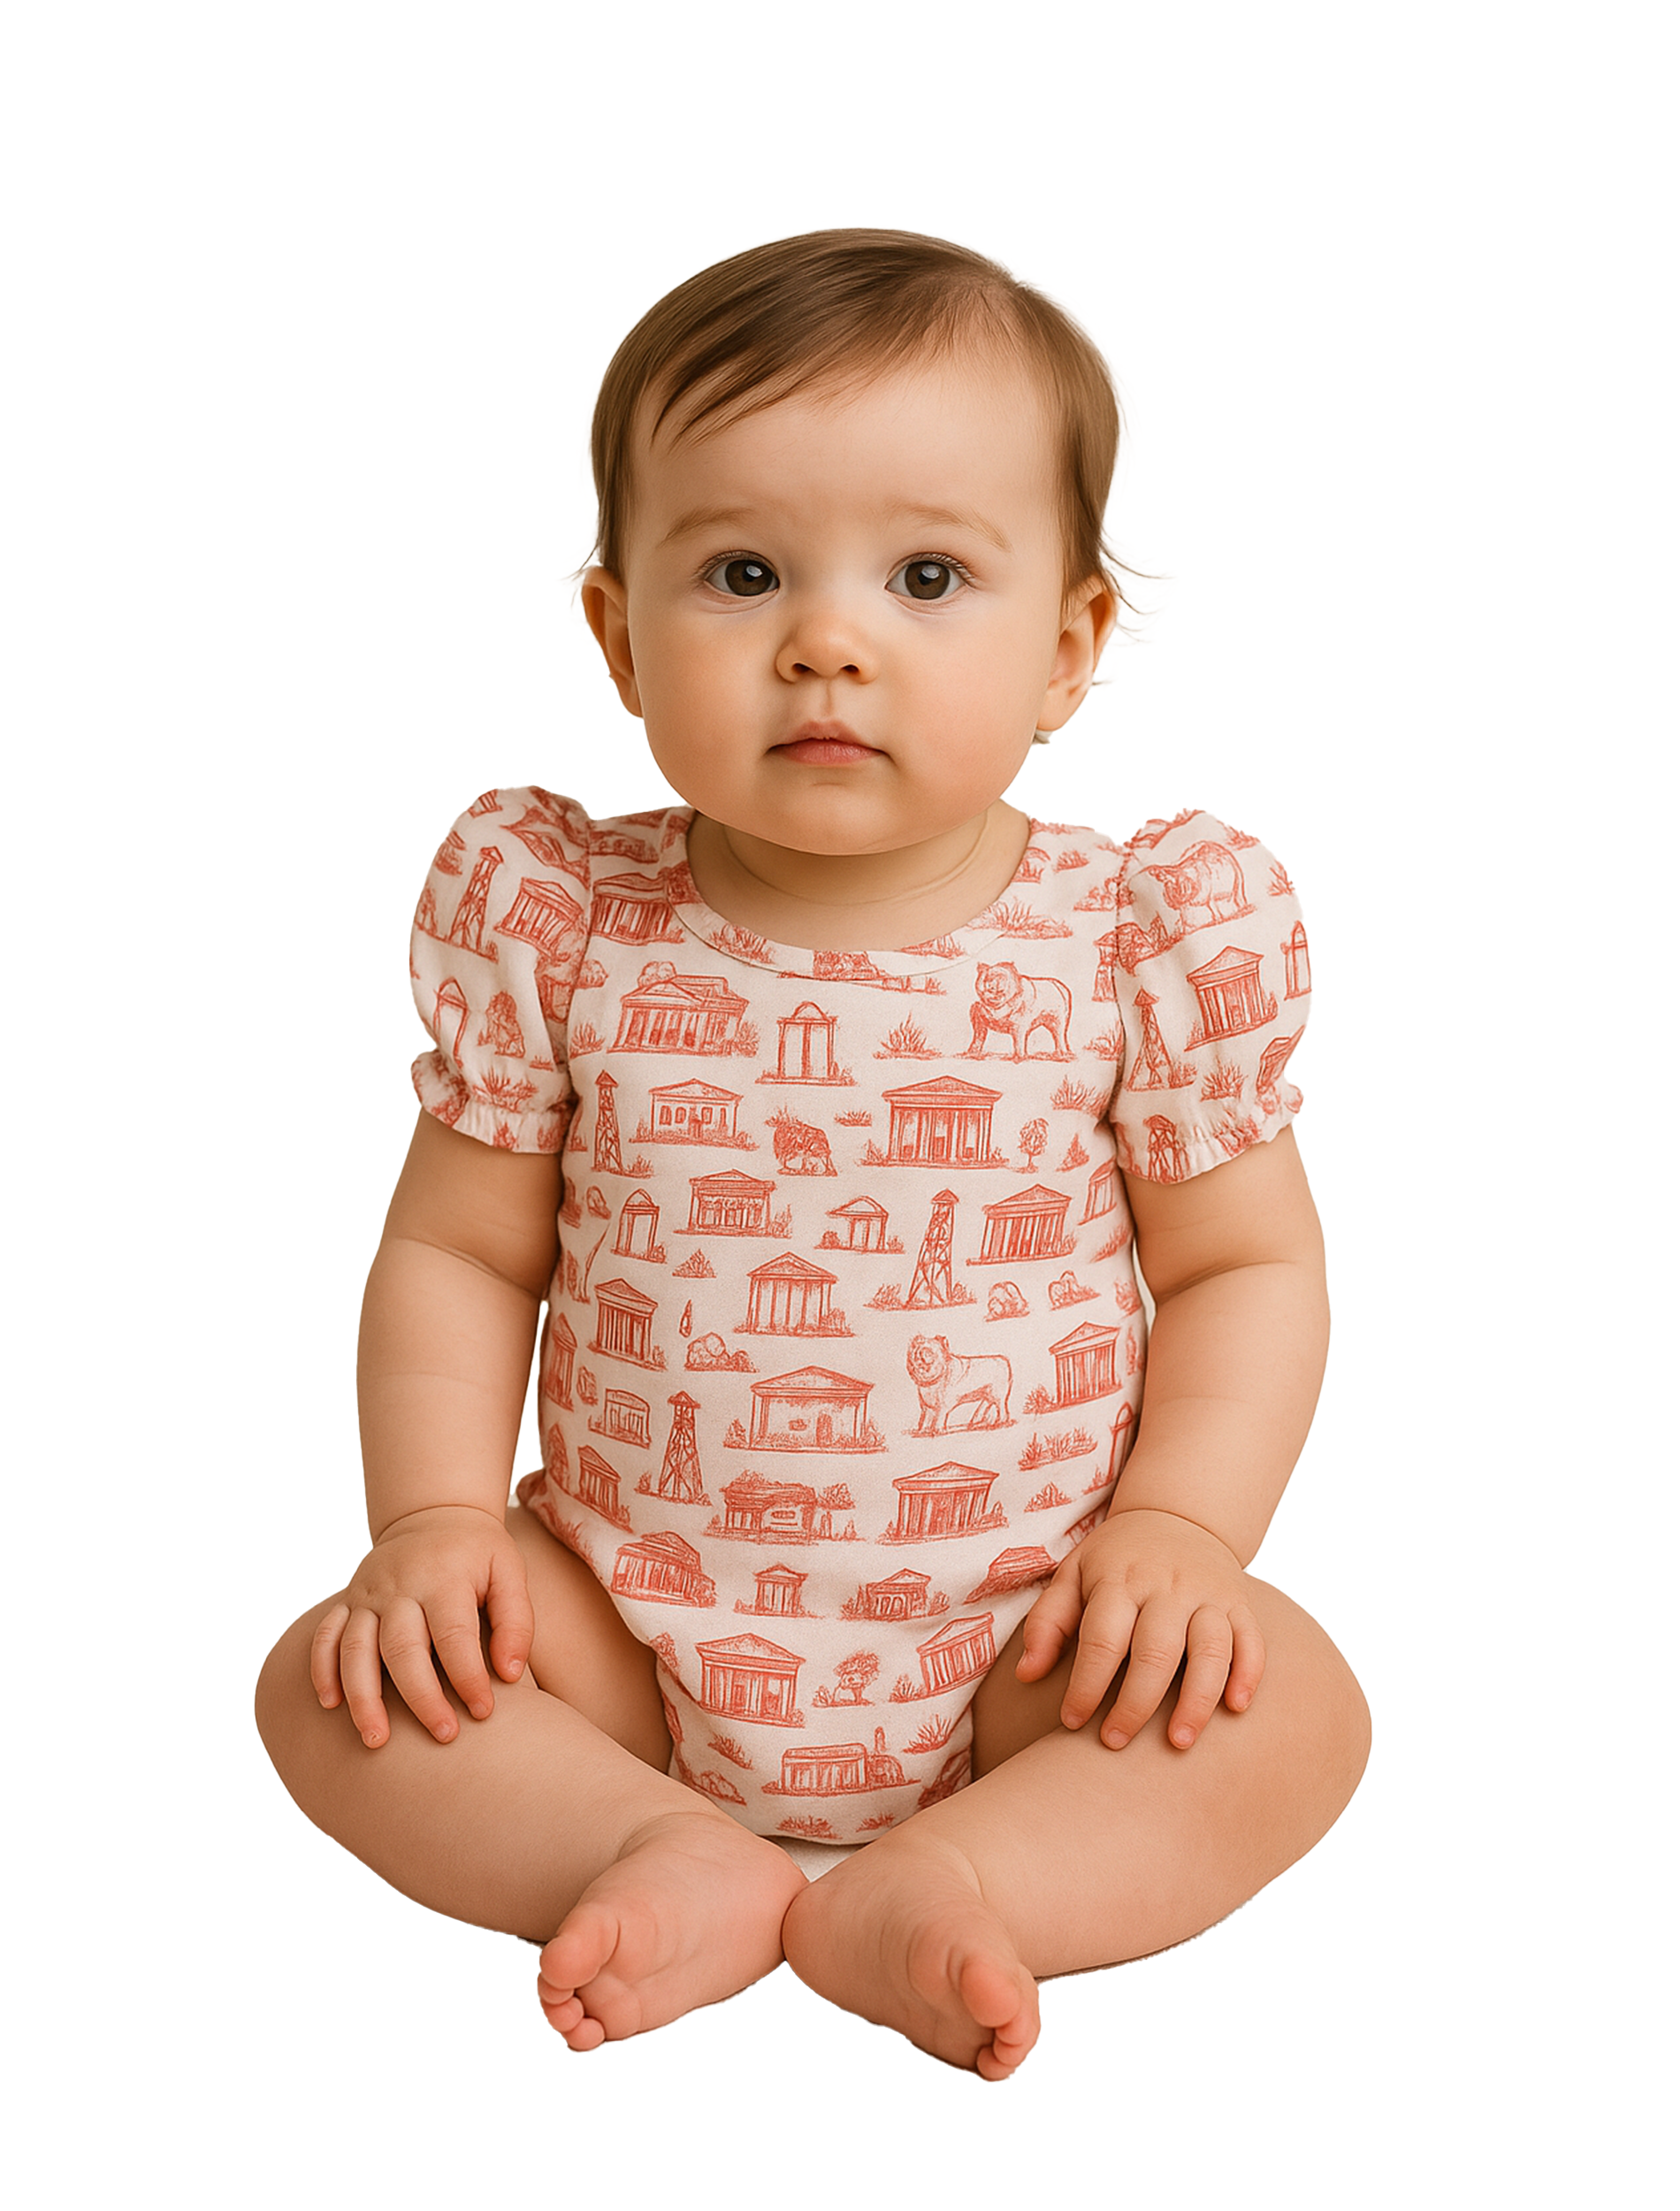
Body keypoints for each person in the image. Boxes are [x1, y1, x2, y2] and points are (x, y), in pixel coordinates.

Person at [256, 229, 1371, 2080]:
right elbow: (461, 1252)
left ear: (1066, 647)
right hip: (617, 1620)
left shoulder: (1128, 940)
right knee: (337, 1682)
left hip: (1034, 1636)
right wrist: (434, 1527)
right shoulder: (566, 924)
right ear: (620, 638)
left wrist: (1179, 1535)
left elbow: (1241, 1262)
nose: (824, 639)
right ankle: (644, 1840)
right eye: (742, 571)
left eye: (927, 576)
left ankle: (959, 1874)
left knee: (1294, 1708)